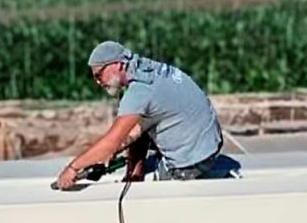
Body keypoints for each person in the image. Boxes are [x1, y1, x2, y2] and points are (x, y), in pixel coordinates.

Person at [55, 41, 223, 189]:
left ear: (118, 64)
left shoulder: (140, 91)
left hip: (192, 162)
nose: (98, 82)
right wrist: (134, 173)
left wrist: (73, 168)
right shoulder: (147, 69)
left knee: (151, 201)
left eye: (99, 75)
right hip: (208, 144)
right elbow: (137, 128)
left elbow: (111, 142)